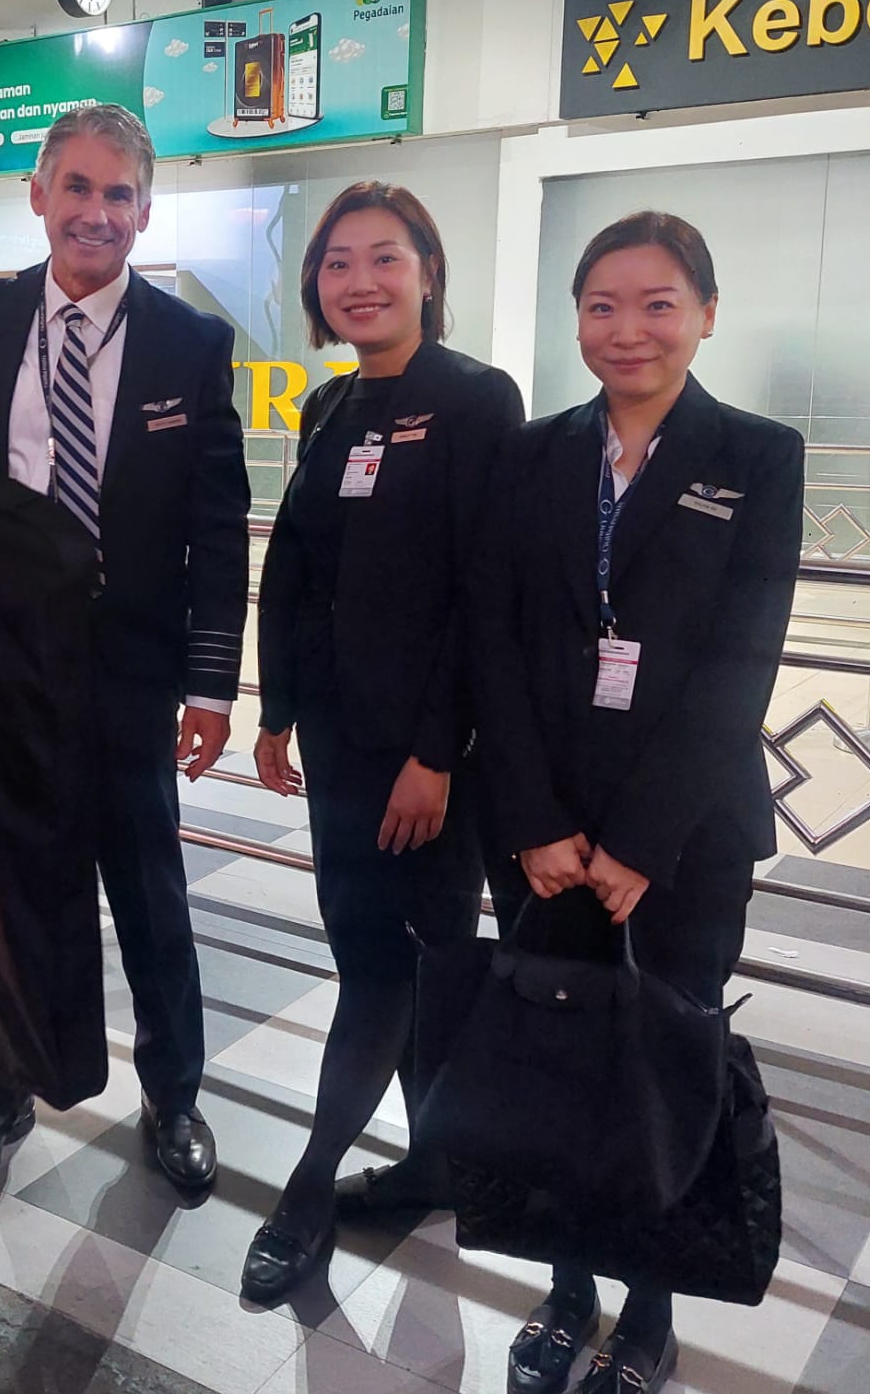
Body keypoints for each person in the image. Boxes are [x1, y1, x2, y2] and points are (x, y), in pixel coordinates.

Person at [0, 104, 250, 1197]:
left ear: (145, 209)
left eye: (119, 193)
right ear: (39, 195)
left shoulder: (191, 342)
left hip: (125, 671)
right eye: (78, 187)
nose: (97, 212)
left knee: (149, 894)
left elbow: (216, 524)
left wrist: (210, 684)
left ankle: (173, 1095)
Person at [473, 212, 803, 1394]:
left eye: (658, 303)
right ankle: (566, 1286)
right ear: (576, 319)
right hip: (542, 833)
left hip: (686, 839)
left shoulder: (758, 455)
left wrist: (639, 844)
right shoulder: (534, 452)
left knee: (665, 1068)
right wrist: (532, 821)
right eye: (601, 305)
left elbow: (740, 664)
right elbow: (497, 640)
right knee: (553, 1061)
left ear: (705, 313)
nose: (628, 329)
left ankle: (650, 1306)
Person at [239, 182, 524, 1302]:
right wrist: (274, 708)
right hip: (339, 744)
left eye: (384, 258)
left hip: (426, 757)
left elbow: (484, 593)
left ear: (428, 273)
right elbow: (293, 564)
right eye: (337, 262)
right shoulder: (327, 405)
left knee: (383, 967)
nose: (359, 281)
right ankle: (433, 1163)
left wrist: (438, 752)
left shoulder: (476, 401)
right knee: (396, 959)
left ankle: (308, 1190)